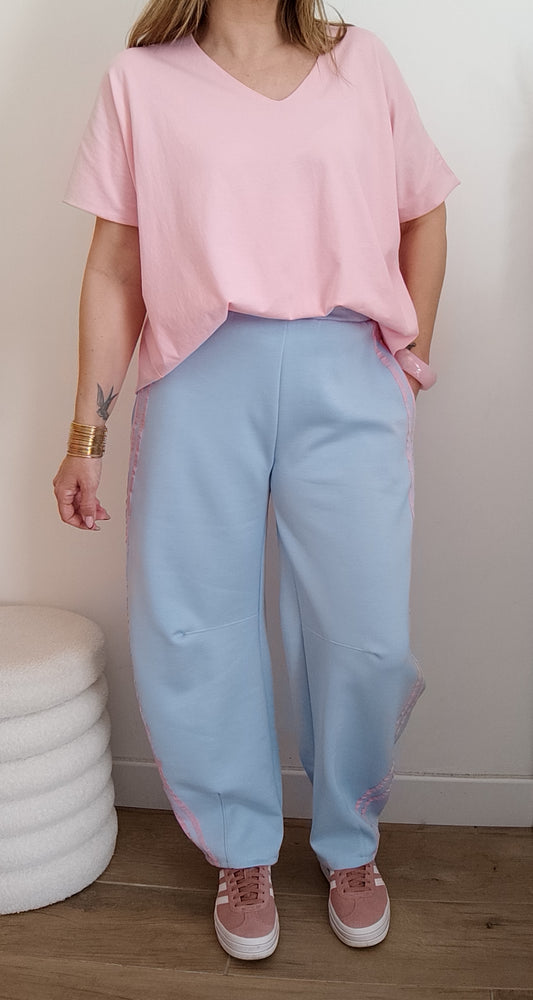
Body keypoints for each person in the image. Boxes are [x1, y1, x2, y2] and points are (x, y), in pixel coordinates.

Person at [53, 0, 460, 961]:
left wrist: (409, 361)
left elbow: (423, 210)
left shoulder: (361, 62)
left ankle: (349, 841)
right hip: (199, 376)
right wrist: (85, 436)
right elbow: (115, 268)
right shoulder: (141, 82)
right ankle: (240, 851)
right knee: (195, 620)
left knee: (365, 635)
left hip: (347, 369)